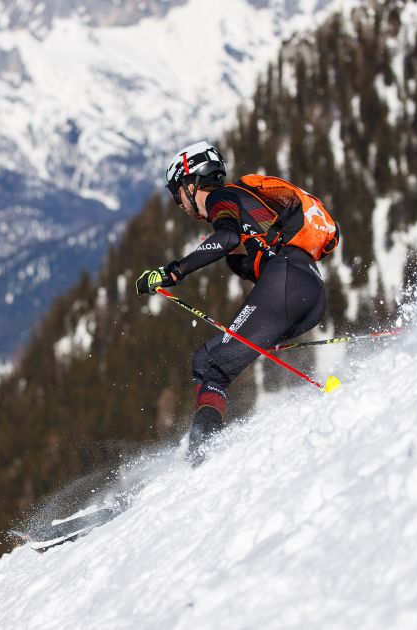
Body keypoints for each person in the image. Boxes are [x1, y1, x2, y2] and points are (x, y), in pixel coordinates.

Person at [135, 141, 339, 461]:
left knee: (211, 367)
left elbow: (227, 237)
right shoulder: (245, 204)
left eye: (178, 196)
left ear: (192, 184)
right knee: (212, 358)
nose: (181, 206)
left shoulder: (221, 197)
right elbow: (248, 252)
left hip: (286, 284)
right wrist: (236, 260)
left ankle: (201, 457)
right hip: (308, 293)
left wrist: (173, 272)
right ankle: (202, 449)